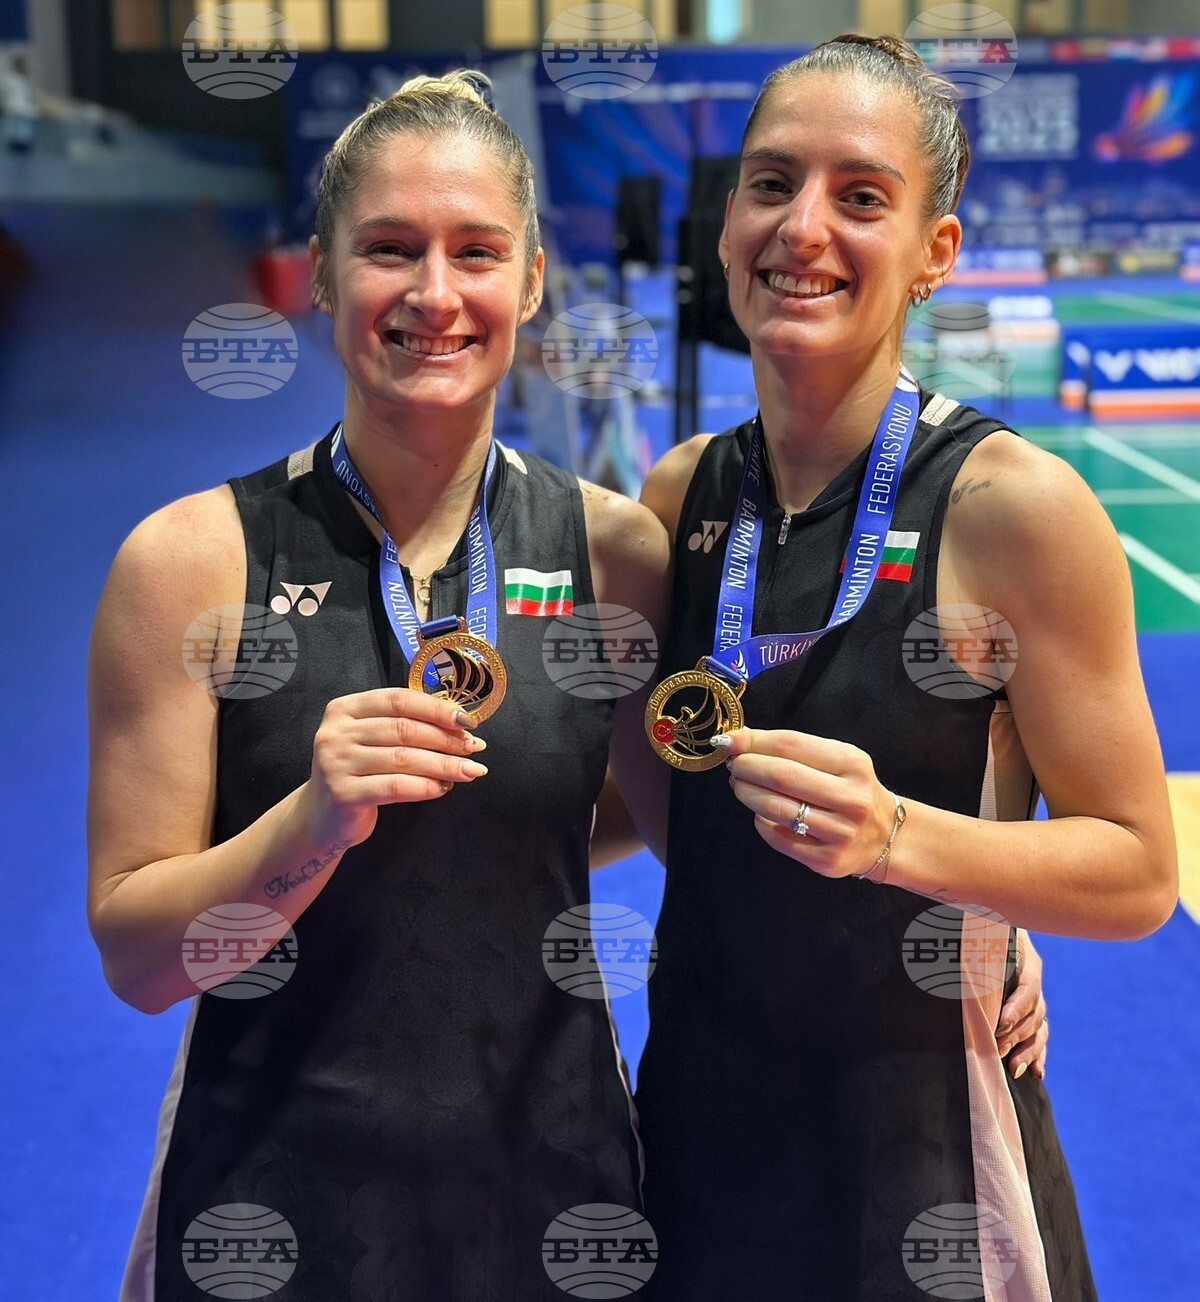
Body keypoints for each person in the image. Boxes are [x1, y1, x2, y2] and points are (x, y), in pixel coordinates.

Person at [87, 71, 668, 1301]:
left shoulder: (615, 554)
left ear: (532, 281)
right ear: (320, 273)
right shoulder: (192, 564)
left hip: (553, 1190)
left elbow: (687, 817)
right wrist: (313, 824)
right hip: (274, 1202)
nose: (435, 294)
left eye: (477, 252)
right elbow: (140, 963)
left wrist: (973, 936)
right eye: (390, 249)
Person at [625, 34, 1178, 1300]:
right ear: (727, 220)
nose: (802, 228)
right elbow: (667, 810)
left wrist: (903, 845)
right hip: (703, 1135)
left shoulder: (1014, 510)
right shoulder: (680, 498)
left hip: (926, 1157)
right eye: (772, 184)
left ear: (936, 252)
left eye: (861, 196)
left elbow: (1140, 870)